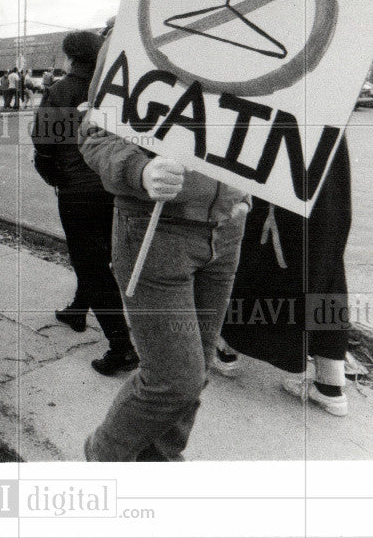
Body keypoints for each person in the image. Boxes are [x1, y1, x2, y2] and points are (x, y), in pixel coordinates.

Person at [78, 33, 250, 462]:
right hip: (156, 232)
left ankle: (158, 467)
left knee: (196, 371)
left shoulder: (271, 30)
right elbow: (94, 133)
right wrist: (139, 169)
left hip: (225, 230)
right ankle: (102, 461)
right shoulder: (137, 26)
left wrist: (243, 192)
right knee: (175, 379)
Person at [214, 140, 353, 417]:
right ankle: (330, 386)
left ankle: (227, 350)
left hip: (281, 187)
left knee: (253, 263)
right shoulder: (333, 101)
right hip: (329, 191)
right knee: (326, 278)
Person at [32, 31, 137, 376]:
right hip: (114, 186)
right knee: (99, 256)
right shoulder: (115, 89)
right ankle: (78, 308)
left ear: (69, 58)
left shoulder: (58, 93)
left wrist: (58, 179)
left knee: (91, 264)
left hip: (77, 190)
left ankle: (120, 345)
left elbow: (44, 147)